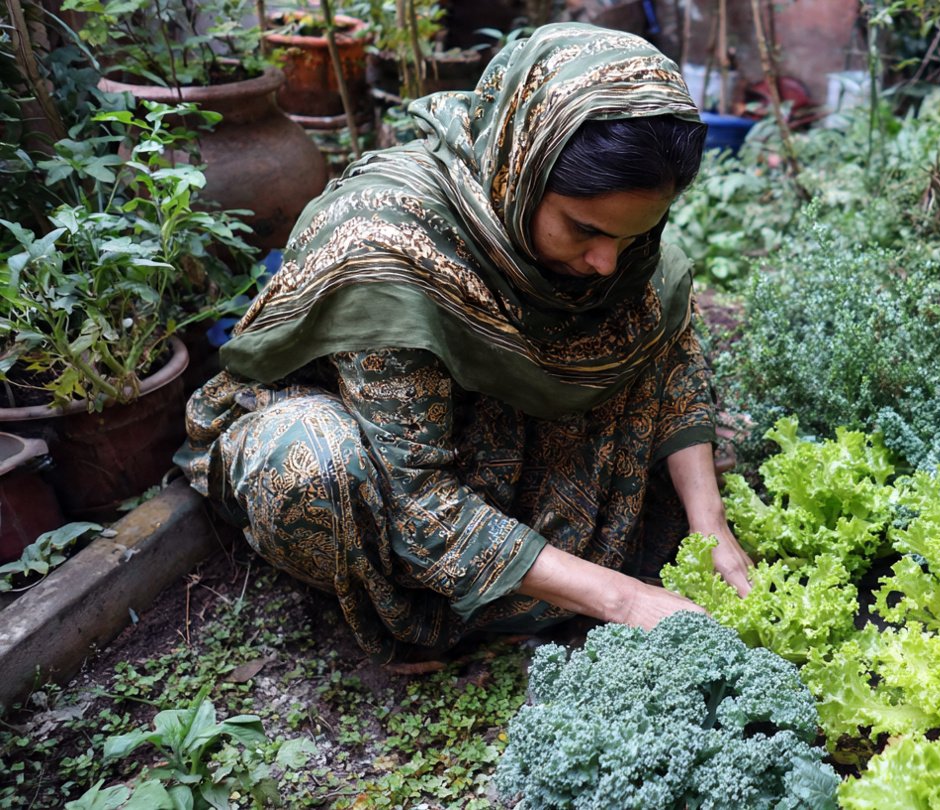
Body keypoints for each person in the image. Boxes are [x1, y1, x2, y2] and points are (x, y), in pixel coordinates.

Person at [174, 23, 753, 663]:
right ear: (521, 167)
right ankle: (462, 597)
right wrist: (627, 601)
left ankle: (542, 574)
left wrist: (711, 531)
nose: (606, 263)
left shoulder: (618, 254)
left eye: (633, 233)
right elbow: (418, 496)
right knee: (313, 466)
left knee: (678, 344)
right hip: (383, 451)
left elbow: (669, 363)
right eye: (584, 229)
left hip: (496, 438)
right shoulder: (392, 250)